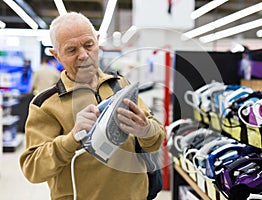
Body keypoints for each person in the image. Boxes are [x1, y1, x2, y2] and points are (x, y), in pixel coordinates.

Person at [19, 12, 165, 200]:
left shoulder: (120, 85)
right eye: (71, 50)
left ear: (97, 41)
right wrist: (72, 139)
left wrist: (145, 130)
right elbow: (33, 169)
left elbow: (156, 138)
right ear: (56, 55)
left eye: (89, 45)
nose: (83, 55)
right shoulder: (45, 105)